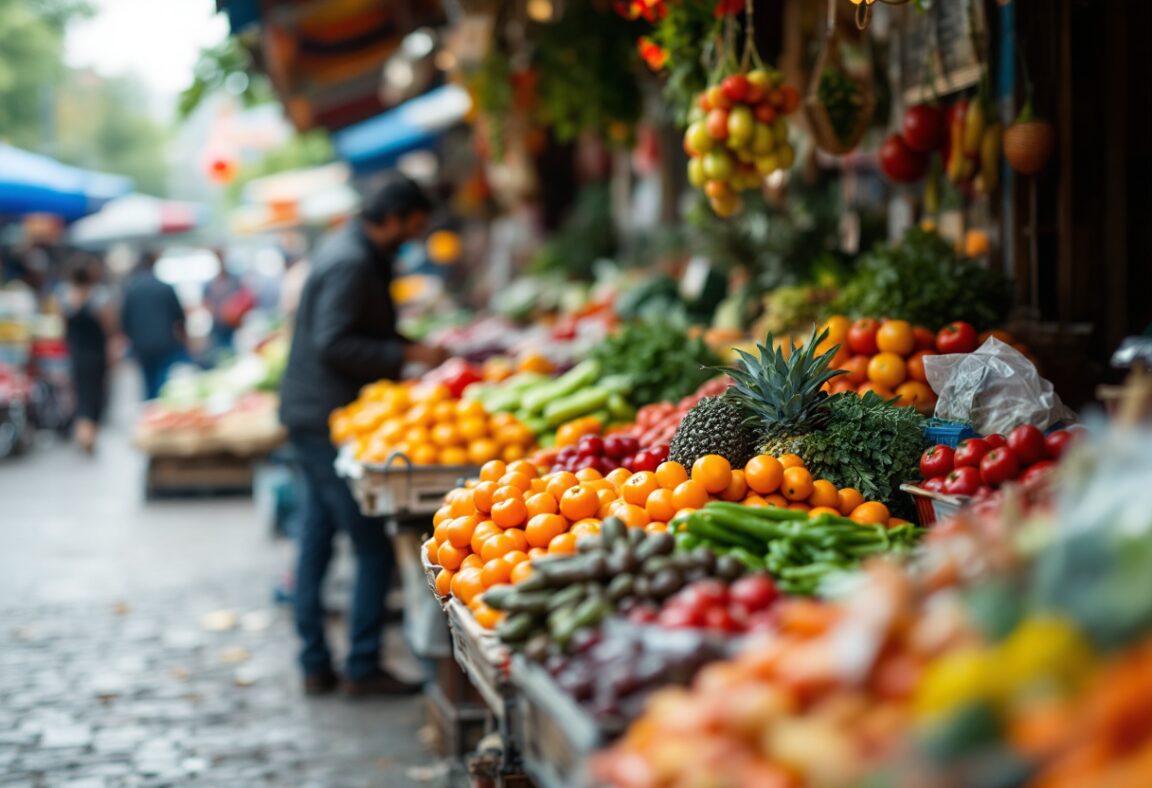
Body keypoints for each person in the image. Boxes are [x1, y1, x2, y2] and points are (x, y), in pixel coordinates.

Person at [279, 177, 449, 697]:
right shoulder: (352, 262)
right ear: (393, 216)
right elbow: (336, 342)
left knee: (316, 536)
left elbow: (356, 332)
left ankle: (316, 662)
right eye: (413, 228)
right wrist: (406, 356)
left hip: (316, 412)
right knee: (370, 544)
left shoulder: (353, 251)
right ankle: (360, 665)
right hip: (324, 415)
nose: (413, 239)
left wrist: (407, 347)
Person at [61, 256, 114, 453]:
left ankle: (83, 431)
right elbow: (109, 326)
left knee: (82, 392)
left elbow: (64, 327)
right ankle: (88, 432)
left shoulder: (65, 298)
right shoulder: (98, 297)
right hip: (95, 352)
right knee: (95, 392)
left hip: (77, 352)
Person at [120, 250, 187, 400]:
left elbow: (124, 320)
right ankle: (160, 408)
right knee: (163, 383)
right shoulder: (164, 287)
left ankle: (151, 408)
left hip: (141, 345)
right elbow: (180, 317)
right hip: (165, 342)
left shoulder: (131, 289)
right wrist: (184, 340)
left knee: (147, 383)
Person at [202, 249, 247, 363]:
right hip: (218, 325)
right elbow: (206, 303)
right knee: (219, 355)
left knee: (234, 353)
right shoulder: (210, 283)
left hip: (233, 324)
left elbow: (243, 298)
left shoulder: (234, 280)